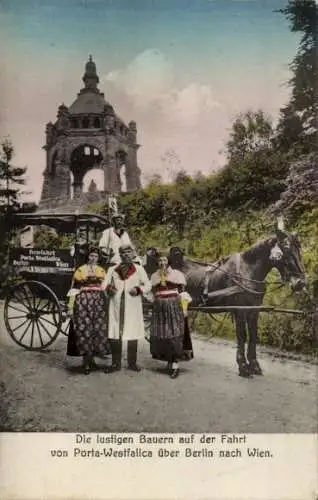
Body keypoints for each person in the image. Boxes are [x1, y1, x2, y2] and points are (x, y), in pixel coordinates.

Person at [104, 244, 151, 373]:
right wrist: (110, 289)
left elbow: (148, 284)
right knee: (115, 334)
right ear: (120, 255)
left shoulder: (139, 269)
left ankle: (132, 363)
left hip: (132, 304)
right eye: (123, 253)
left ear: (132, 254)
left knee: (132, 333)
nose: (126, 255)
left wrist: (138, 289)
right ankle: (115, 363)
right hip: (117, 304)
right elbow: (104, 284)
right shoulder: (113, 269)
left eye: (128, 252)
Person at [66, 247, 110, 374]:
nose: (93, 258)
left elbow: (105, 288)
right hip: (83, 302)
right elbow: (74, 289)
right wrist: (70, 306)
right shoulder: (80, 270)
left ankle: (92, 361)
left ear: (98, 258)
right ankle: (85, 362)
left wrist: (107, 303)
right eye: (91, 256)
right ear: (88, 257)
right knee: (85, 330)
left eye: (96, 256)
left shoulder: (102, 271)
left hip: (98, 303)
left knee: (97, 330)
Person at [149, 254, 192, 378]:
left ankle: (175, 364)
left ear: (168, 261)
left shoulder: (177, 274)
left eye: (164, 260)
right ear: (157, 262)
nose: (162, 262)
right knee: (163, 333)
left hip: (173, 305)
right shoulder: (154, 276)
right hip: (159, 307)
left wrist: (183, 307)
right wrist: (154, 302)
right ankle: (168, 360)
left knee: (174, 333)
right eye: (160, 260)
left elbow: (182, 292)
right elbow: (152, 292)